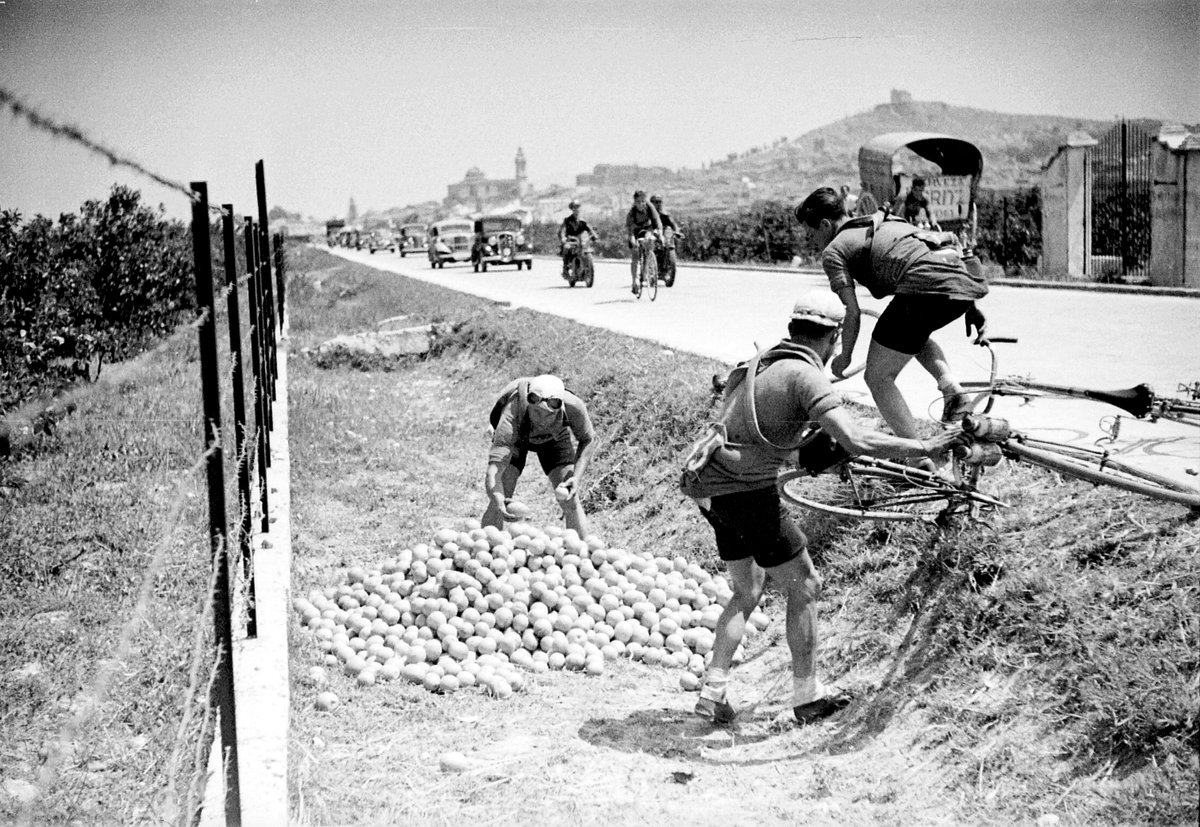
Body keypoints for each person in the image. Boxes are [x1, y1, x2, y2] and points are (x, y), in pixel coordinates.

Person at [680, 292, 965, 725]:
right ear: (832, 337)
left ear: (794, 329)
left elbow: (762, 434)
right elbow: (856, 439)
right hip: (745, 492)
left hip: (707, 487)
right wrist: (923, 445)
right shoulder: (805, 376)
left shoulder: (758, 365)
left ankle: (713, 692)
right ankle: (808, 696)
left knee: (748, 588)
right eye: (836, 342)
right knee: (806, 584)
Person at [794, 186, 988, 443]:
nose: (812, 242)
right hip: (962, 284)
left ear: (825, 225)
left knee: (877, 377)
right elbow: (936, 254)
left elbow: (852, 312)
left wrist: (845, 356)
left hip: (923, 290)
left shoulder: (833, 251)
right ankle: (952, 390)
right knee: (909, 336)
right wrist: (971, 306)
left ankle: (919, 455)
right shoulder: (886, 219)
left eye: (811, 235)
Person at [483, 374, 596, 537]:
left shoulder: (573, 407)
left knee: (570, 497)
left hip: (555, 437)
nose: (541, 420)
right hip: (518, 435)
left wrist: (576, 478)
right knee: (501, 493)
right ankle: (485, 548)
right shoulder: (512, 413)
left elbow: (589, 439)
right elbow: (494, 469)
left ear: (560, 408)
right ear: (529, 404)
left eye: (548, 414)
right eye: (536, 412)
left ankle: (582, 554)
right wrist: (495, 495)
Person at [625, 189, 664, 294]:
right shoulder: (632, 213)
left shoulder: (650, 207)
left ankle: (646, 270)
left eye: (643, 201)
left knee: (649, 242)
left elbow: (658, 222)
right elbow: (630, 232)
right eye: (638, 202)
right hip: (635, 231)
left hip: (647, 228)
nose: (641, 204)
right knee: (635, 255)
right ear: (634, 202)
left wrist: (661, 234)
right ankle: (635, 281)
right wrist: (633, 242)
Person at [558, 200, 596, 277]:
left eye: (578, 207)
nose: (576, 209)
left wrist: (594, 235)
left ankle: (587, 267)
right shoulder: (567, 220)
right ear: (572, 209)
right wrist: (563, 238)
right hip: (571, 240)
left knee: (588, 249)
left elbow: (589, 229)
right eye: (574, 207)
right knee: (567, 249)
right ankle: (565, 269)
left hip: (581, 241)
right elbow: (562, 230)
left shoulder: (583, 221)